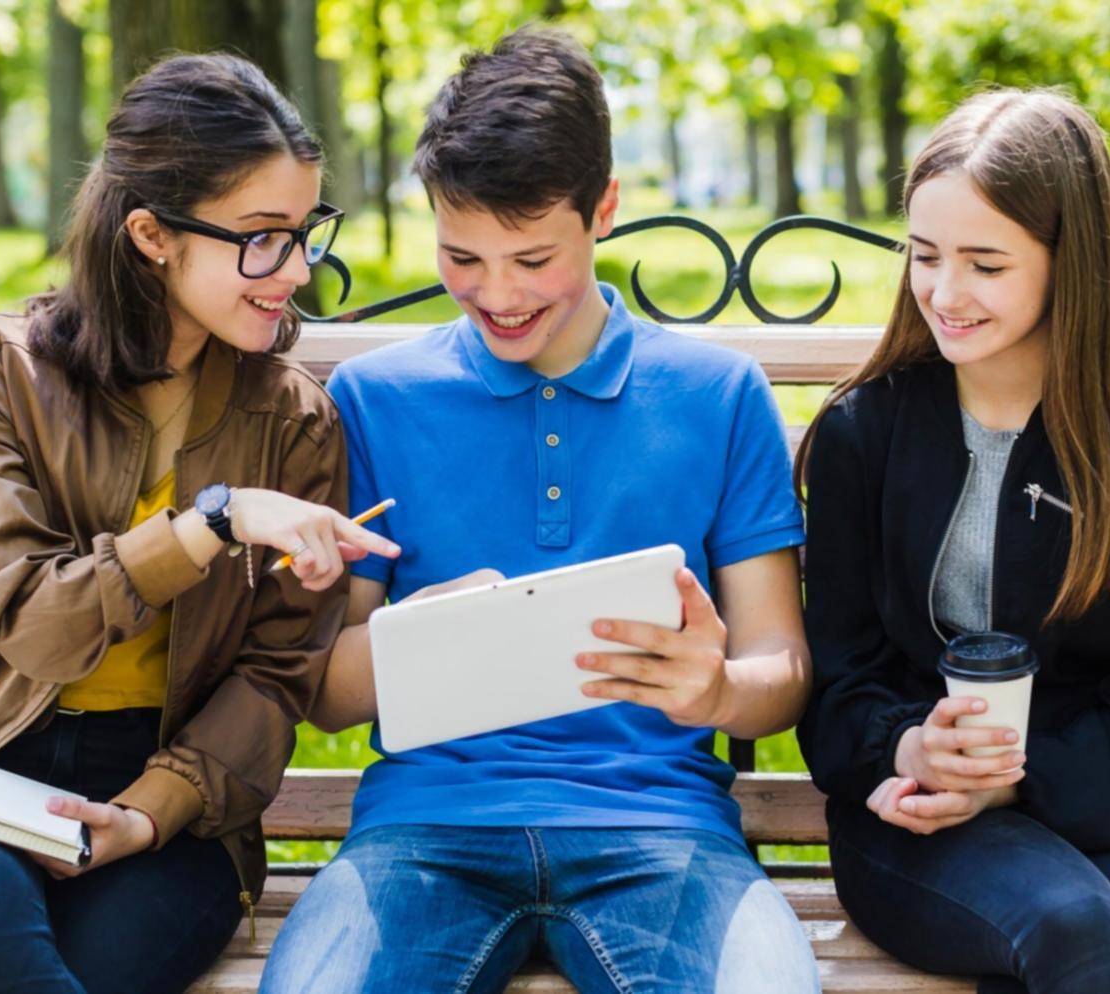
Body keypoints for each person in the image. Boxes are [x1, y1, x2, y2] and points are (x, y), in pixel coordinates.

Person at [260, 28, 820, 994]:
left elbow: (785, 667)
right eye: (461, 257)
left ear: (603, 209)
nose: (499, 295)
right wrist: (415, 638)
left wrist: (718, 690)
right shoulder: (375, 400)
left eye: (532, 257)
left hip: (662, 829)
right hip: (424, 829)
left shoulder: (718, 395)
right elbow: (325, 693)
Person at [0, 53, 398, 994]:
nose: (297, 269)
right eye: (262, 237)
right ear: (151, 234)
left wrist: (149, 815)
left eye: (306, 230)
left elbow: (276, 675)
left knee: (94, 969)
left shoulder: (294, 418)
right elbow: (31, 620)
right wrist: (213, 523)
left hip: (178, 800)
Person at [795, 88, 1110, 994]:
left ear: (1074, 263)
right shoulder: (861, 434)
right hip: (914, 823)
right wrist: (910, 750)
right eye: (924, 256)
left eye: (985, 264)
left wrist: (1017, 783)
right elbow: (839, 689)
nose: (945, 293)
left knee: (1081, 947)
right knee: (1078, 936)